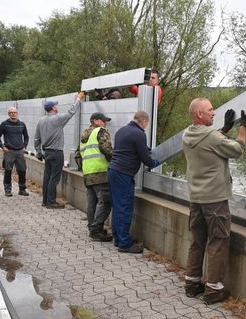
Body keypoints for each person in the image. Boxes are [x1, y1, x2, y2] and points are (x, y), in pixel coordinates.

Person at [181, 98, 246, 305]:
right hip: (215, 200)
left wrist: (224, 128)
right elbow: (237, 150)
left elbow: (209, 142)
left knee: (198, 242)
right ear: (199, 115)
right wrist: (243, 127)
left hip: (196, 198)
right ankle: (213, 291)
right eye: (210, 110)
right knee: (217, 242)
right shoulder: (211, 137)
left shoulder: (187, 134)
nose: (214, 113)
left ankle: (192, 284)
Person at [107, 111, 160, 253]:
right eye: (146, 124)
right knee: (124, 207)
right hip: (123, 174)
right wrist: (156, 162)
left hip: (113, 171)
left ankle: (118, 239)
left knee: (117, 206)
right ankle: (125, 243)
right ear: (143, 121)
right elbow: (145, 159)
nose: (146, 127)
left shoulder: (122, 131)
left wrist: (145, 149)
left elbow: (130, 148)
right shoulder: (139, 134)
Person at [34, 92, 85, 209]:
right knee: (54, 178)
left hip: (46, 152)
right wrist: (78, 99)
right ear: (53, 108)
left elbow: (37, 138)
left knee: (47, 176)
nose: (57, 107)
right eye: (56, 106)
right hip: (56, 152)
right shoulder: (58, 119)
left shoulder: (41, 120)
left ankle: (45, 201)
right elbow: (71, 112)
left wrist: (38, 152)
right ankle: (51, 202)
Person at [74, 112, 113, 241]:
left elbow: (77, 155)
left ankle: (92, 227)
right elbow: (106, 149)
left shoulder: (85, 135)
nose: (105, 123)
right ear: (96, 121)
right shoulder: (100, 131)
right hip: (101, 172)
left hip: (88, 174)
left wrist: (83, 168)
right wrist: (115, 161)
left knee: (92, 203)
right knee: (105, 202)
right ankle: (96, 230)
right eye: (103, 120)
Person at [0, 107, 30, 197]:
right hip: (9, 151)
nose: (13, 114)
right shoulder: (4, 124)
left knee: (22, 171)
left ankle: (22, 189)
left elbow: (26, 136)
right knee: (8, 171)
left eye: (15, 112)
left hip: (20, 151)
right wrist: (2, 146)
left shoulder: (22, 124)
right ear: (8, 114)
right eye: (11, 113)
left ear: (17, 113)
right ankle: (8, 190)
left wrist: (24, 145)